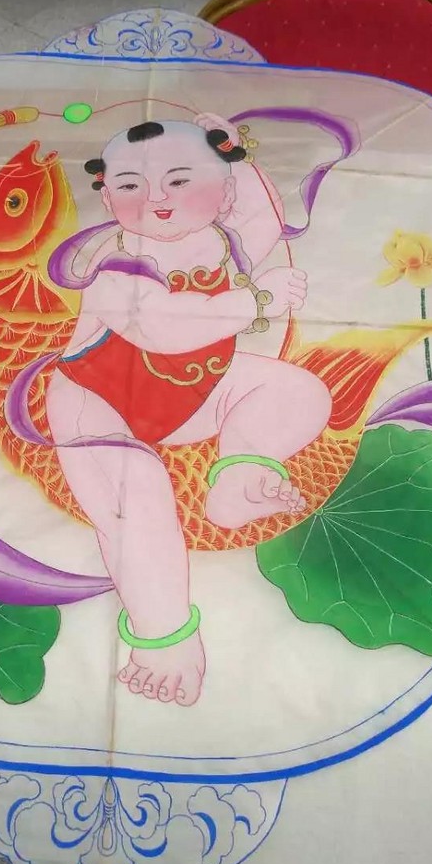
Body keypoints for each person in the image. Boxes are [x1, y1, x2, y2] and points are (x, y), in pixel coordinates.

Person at [45, 114, 332, 708]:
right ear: (107, 198)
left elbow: (260, 215)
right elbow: (160, 328)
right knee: (136, 497)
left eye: (179, 180)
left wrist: (234, 150)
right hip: (99, 406)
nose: (156, 198)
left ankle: (239, 475)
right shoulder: (113, 265)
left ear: (221, 194)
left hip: (197, 394)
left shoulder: (222, 240)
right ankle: (165, 637)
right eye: (130, 185)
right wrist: (256, 300)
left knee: (301, 393)